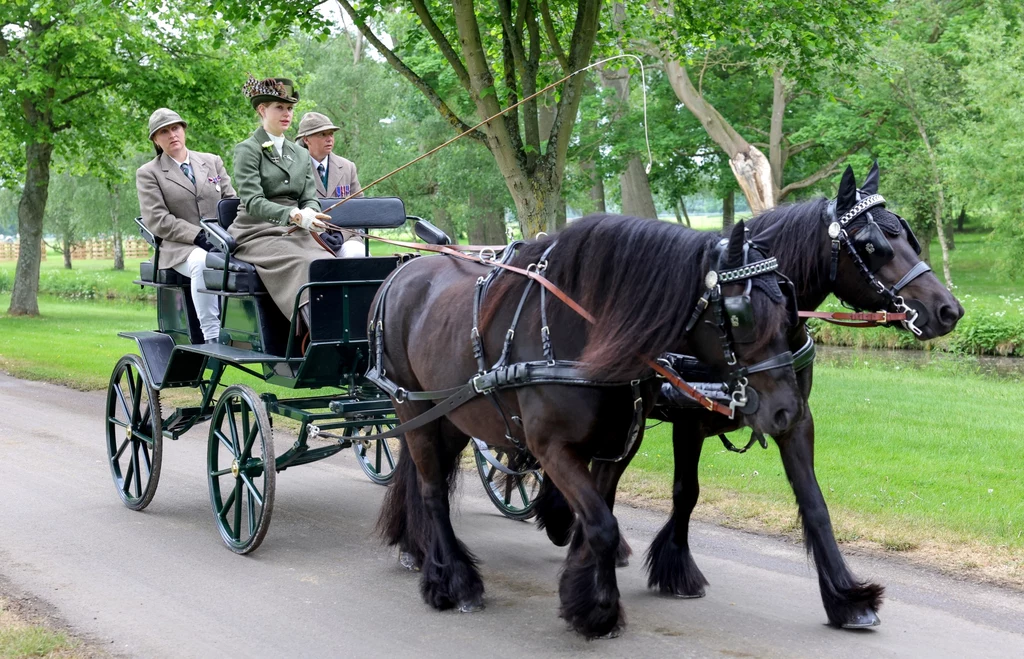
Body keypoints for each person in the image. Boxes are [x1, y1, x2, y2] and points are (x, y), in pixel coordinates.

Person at [229, 75, 337, 324]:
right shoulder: (247, 149)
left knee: (330, 263)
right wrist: (292, 214)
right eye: (279, 107)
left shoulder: (300, 152)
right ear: (262, 109)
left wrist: (311, 214)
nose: (286, 113)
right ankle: (315, 337)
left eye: (289, 108)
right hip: (257, 232)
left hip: (298, 231)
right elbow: (253, 200)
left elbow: (310, 197)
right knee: (306, 263)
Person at [136, 108, 237, 344]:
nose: (172, 135)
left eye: (175, 128)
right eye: (164, 131)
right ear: (156, 140)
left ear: (183, 130)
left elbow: (232, 203)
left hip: (221, 242)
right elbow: (158, 220)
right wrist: (198, 236)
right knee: (202, 262)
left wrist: (232, 235)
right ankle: (211, 335)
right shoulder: (149, 173)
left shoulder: (212, 162)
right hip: (178, 248)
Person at [295, 111, 365, 257]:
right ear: (306, 139)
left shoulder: (348, 167)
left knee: (358, 255)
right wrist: (318, 235)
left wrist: (341, 234)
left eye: (331, 134)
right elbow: (290, 211)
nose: (329, 139)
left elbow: (359, 211)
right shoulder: (293, 168)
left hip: (346, 240)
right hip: (305, 241)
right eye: (322, 135)